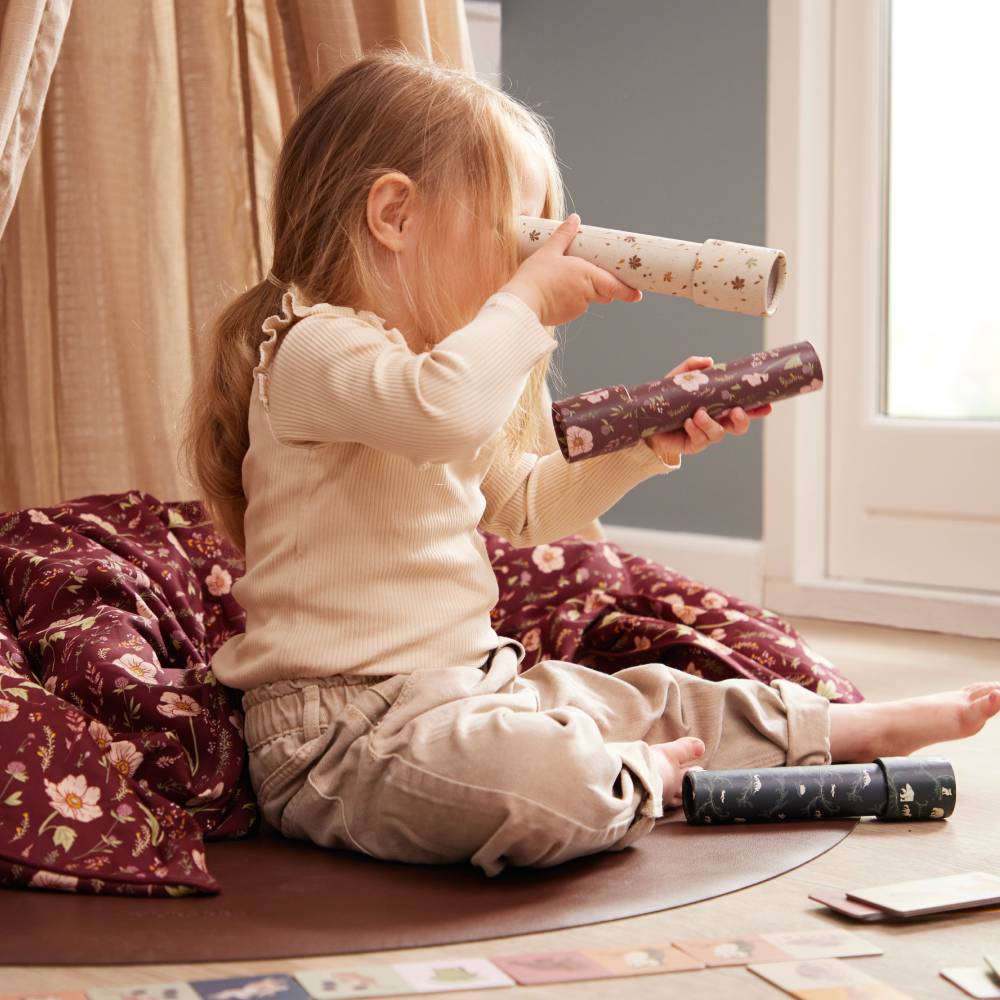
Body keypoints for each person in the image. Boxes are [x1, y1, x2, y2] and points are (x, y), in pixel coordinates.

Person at [181, 51, 1000, 876]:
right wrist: (527, 303)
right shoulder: (314, 346)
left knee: (653, 695)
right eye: (513, 235)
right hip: (339, 734)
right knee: (535, 779)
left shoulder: (447, 369)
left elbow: (527, 507)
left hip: (472, 689)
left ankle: (839, 730)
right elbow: (441, 412)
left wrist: (646, 447)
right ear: (395, 215)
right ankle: (630, 780)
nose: (524, 266)